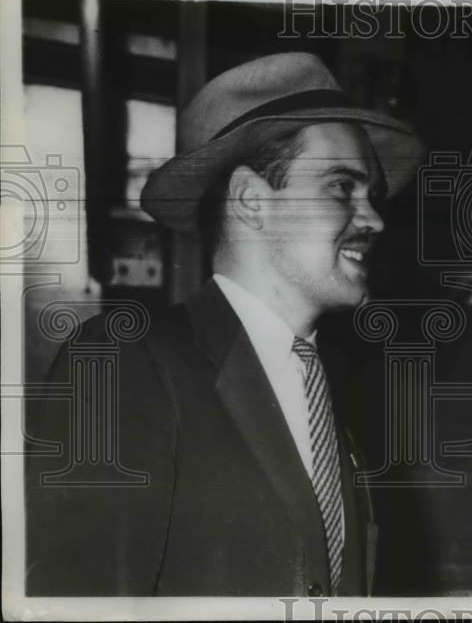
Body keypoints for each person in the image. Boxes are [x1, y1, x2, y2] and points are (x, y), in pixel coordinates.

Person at [26, 52, 423, 596]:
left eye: (371, 194)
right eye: (340, 187)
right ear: (250, 201)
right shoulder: (124, 364)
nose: (374, 217)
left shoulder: (331, 399)